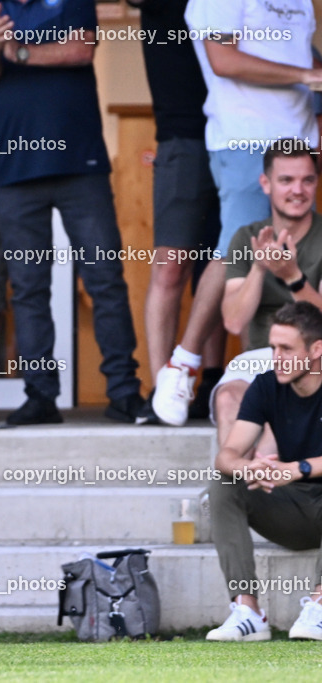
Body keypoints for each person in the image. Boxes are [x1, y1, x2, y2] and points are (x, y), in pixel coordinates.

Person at [0, 0, 143, 424]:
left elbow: (82, 50)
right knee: (27, 288)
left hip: (81, 164)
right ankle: (41, 395)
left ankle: (123, 391)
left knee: (105, 280)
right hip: (14, 168)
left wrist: (19, 52)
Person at [151, 0, 321, 426]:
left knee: (289, 258)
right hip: (244, 137)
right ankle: (183, 364)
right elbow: (222, 59)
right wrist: (306, 75)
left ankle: (273, 381)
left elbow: (300, 56)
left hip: (298, 140)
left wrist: (313, 81)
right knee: (236, 254)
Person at [125, 0, 225, 424]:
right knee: (170, 267)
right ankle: (161, 389)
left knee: (220, 267)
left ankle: (213, 384)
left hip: (235, 133)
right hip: (180, 137)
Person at [206, 301, 322, 641]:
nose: (277, 357)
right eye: (273, 347)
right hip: (292, 510)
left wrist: (296, 469)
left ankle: (318, 607)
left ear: (317, 350)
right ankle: (248, 611)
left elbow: (296, 470)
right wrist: (249, 466)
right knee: (225, 482)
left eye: (287, 348)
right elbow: (226, 454)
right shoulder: (266, 385)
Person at [212, 140, 322, 456]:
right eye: (286, 180)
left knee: (280, 413)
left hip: (313, 358)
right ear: (266, 183)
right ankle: (235, 494)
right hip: (261, 357)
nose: (297, 190)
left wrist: (293, 278)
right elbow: (233, 321)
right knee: (229, 397)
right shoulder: (246, 237)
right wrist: (259, 268)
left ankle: (266, 496)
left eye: (307, 180)